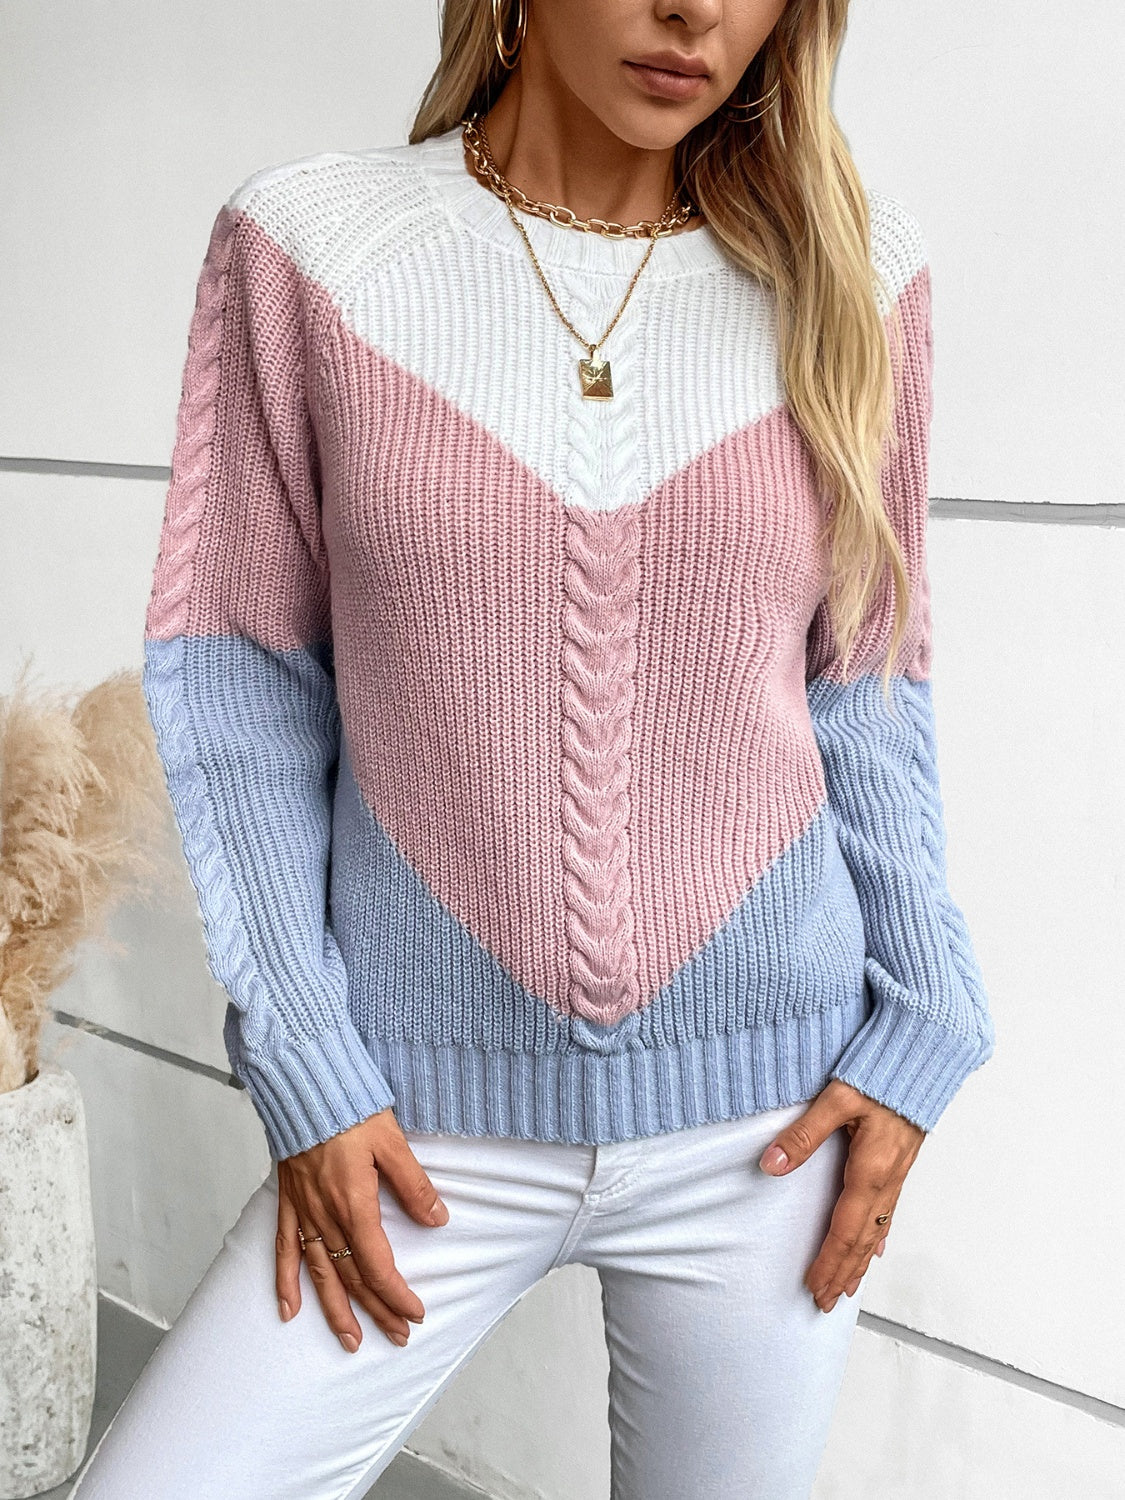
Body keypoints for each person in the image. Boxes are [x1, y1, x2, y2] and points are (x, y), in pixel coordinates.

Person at [69, 0, 997, 1495]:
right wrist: (301, 1045)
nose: (697, 12)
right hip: (411, 1119)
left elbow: (866, 682)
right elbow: (244, 684)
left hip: (770, 1127)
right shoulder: (314, 251)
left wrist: (930, 1013)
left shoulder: (850, 274)